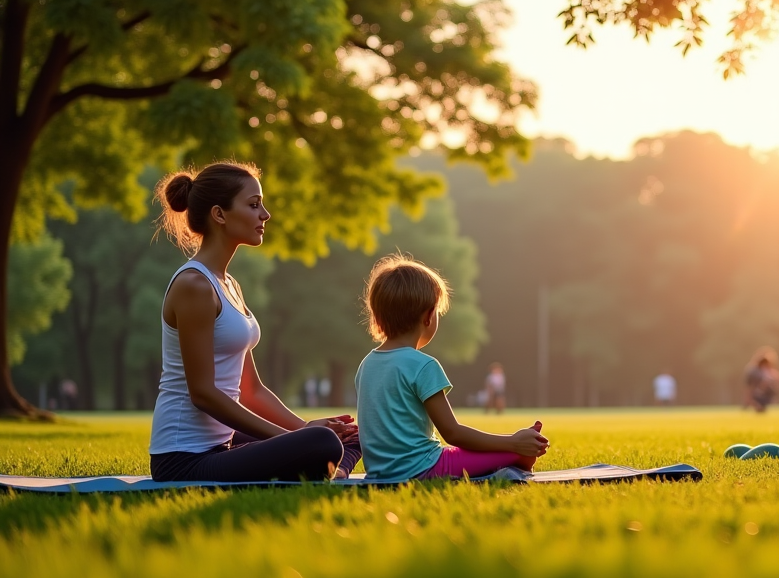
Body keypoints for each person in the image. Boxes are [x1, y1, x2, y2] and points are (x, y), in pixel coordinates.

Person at [148, 161, 361, 482]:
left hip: (224, 444)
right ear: (219, 214)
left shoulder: (229, 284)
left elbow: (252, 390)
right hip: (184, 459)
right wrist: (285, 439)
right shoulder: (194, 286)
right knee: (322, 443)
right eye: (253, 205)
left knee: (349, 434)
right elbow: (203, 393)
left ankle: (337, 467)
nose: (265, 214)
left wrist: (302, 428)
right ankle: (332, 466)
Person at [355, 255, 550, 480]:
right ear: (429, 317)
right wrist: (512, 442)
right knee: (520, 456)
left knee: (512, 451)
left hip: (381, 472)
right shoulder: (423, 365)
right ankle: (497, 474)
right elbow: (453, 433)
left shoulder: (367, 364)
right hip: (425, 468)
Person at [744, 348, 779, 412]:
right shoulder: (754, 371)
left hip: (764, 393)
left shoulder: (768, 370)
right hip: (758, 392)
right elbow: (749, 387)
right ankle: (756, 404)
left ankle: (758, 404)